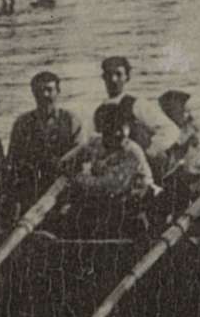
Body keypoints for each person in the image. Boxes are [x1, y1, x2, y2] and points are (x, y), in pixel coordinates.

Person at [59, 99, 160, 235]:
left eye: (122, 127)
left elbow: (108, 185)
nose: (119, 133)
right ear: (102, 129)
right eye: (112, 128)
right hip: (109, 199)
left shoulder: (131, 151)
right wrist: (67, 163)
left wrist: (76, 178)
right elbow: (66, 161)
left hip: (134, 200)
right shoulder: (96, 143)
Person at [2, 69, 84, 205]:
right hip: (31, 185)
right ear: (33, 93)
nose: (44, 95)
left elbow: (80, 152)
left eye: (49, 90)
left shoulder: (70, 120)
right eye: (39, 91)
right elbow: (13, 157)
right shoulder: (23, 122)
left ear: (58, 92)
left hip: (63, 183)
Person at [149, 89, 200, 204]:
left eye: (175, 109)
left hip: (198, 180)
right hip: (173, 183)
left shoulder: (198, 129)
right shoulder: (161, 134)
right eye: (167, 111)